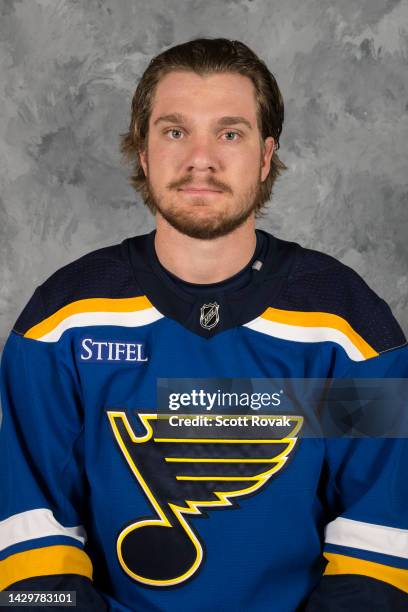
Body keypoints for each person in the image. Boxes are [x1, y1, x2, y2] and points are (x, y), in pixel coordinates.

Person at [0, 38, 407, 611]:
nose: (201, 159)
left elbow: (378, 535)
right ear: (142, 152)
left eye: (229, 133)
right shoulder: (61, 324)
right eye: (174, 131)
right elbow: (30, 539)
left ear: (266, 156)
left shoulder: (346, 326)